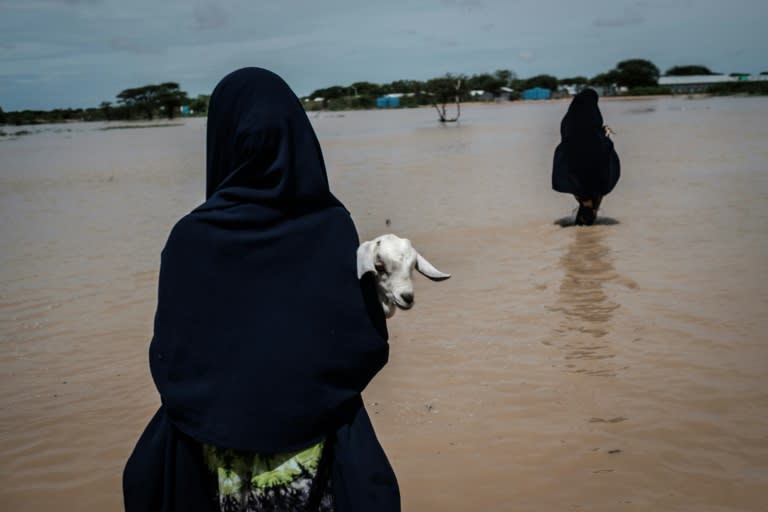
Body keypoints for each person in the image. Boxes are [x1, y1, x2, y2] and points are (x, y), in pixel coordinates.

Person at [123, 67, 400, 512]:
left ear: (222, 140)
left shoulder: (191, 239)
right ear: (300, 137)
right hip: (318, 464)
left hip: (215, 465)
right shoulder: (331, 228)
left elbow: (171, 364)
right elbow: (364, 350)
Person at [552, 88, 620, 225]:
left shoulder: (569, 119)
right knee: (593, 198)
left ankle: (584, 236)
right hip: (595, 165)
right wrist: (605, 135)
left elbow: (566, 137)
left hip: (574, 164)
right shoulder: (594, 116)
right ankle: (589, 232)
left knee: (584, 199)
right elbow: (596, 139)